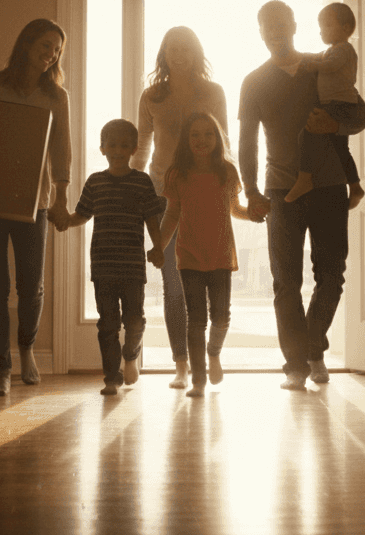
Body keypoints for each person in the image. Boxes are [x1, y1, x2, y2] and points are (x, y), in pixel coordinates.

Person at [238, 1, 365, 391]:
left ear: (295, 25)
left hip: (330, 186)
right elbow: (246, 142)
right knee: (286, 282)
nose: (276, 31)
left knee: (332, 276)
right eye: (267, 26)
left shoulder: (324, 65)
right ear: (260, 31)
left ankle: (314, 345)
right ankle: (296, 364)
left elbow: (361, 115)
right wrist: (251, 191)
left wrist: (336, 121)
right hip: (282, 190)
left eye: (282, 23)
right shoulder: (254, 81)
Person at [0, 18, 73, 396]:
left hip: (35, 202)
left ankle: (26, 347)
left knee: (31, 286)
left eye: (56, 50)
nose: (50, 55)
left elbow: (62, 151)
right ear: (27, 43)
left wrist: (61, 197)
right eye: (46, 46)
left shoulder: (57, 97)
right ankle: (2, 370)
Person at [130, 27, 228, 388]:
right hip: (161, 193)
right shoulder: (152, 95)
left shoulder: (213, 93)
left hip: (204, 191)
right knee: (174, 282)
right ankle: (182, 364)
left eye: (186, 48)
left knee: (205, 276)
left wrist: (230, 186)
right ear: (164, 53)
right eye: (173, 48)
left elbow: (223, 139)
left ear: (196, 52)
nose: (180, 54)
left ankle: (210, 353)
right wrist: (130, 181)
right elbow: (142, 142)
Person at [148, 112, 251, 398]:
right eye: (195, 134)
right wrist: (159, 246)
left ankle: (214, 353)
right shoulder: (177, 174)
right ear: (186, 140)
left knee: (221, 317)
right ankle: (198, 381)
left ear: (217, 138)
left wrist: (253, 213)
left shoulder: (227, 171)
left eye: (208, 134)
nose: (202, 139)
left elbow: (235, 209)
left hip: (220, 255)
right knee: (196, 320)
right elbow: (171, 215)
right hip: (189, 256)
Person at [67, 119, 165, 396]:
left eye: (124, 145)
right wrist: (64, 220)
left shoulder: (142, 182)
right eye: (112, 144)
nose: (117, 150)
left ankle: (130, 357)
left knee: (135, 320)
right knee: (107, 323)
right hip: (103, 269)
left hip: (133, 268)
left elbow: (152, 219)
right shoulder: (95, 182)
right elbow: (81, 215)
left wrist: (158, 248)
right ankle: (112, 376)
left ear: (134, 149)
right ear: (102, 148)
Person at [285, 2, 365, 208]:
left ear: (346, 28)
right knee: (341, 149)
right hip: (338, 103)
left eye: (327, 26)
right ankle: (355, 186)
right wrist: (309, 58)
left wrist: (313, 65)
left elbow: (330, 65)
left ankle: (305, 178)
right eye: (320, 27)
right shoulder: (332, 50)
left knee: (308, 133)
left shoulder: (344, 49)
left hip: (338, 104)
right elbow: (321, 57)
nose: (322, 31)